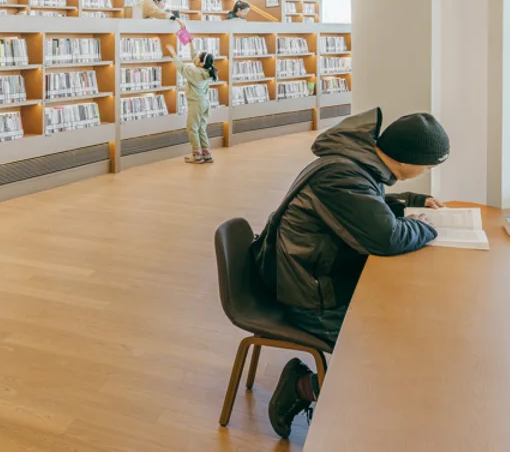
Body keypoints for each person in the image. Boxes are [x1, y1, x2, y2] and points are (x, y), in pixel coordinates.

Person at [253, 108, 450, 437]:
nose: (427, 170)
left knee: (411, 329)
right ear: (407, 159)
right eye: (428, 164)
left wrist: (410, 201)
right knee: (389, 354)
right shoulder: (342, 175)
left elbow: (366, 204)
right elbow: (386, 237)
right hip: (311, 297)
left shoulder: (353, 165)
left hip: (320, 278)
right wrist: (426, 228)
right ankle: (304, 387)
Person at [166, 43, 216, 164]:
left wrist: (173, 54)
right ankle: (206, 153)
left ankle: (197, 155)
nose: (196, 58)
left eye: (198, 57)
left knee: (192, 129)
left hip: (195, 104)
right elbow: (195, 59)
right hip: (204, 103)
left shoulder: (195, 73)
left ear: (202, 63)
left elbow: (182, 68)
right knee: (202, 128)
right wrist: (191, 43)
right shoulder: (206, 70)